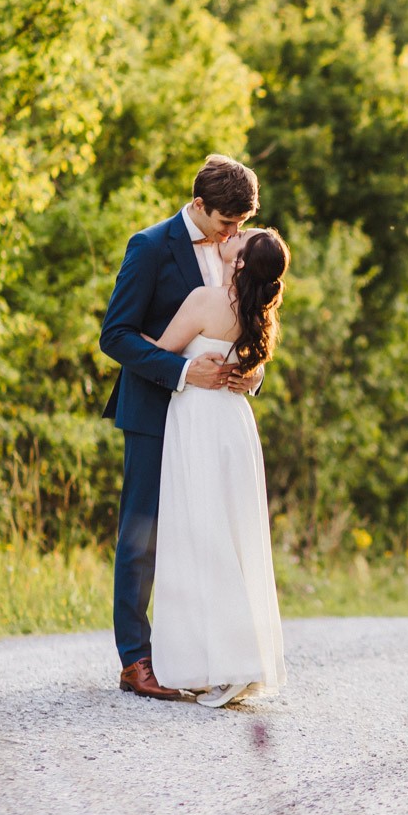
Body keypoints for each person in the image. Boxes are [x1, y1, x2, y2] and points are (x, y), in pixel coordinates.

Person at [99, 155, 261, 700]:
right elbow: (116, 335)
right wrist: (185, 371)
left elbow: (243, 325)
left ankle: (193, 657)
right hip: (153, 410)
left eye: (240, 224)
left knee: (203, 535)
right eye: (224, 224)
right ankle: (135, 660)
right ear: (198, 205)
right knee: (141, 534)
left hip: (210, 422)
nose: (233, 234)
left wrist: (250, 373)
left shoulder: (235, 250)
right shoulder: (149, 246)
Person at [146, 228, 291, 707]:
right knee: (232, 535)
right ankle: (237, 656)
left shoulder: (206, 300)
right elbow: (252, 368)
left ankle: (220, 660)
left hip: (199, 419)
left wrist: (127, 331)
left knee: (200, 536)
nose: (235, 234)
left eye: (243, 236)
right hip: (234, 424)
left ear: (242, 263)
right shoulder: (259, 313)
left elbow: (161, 350)